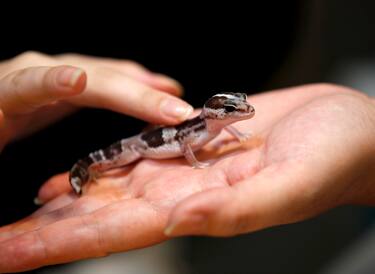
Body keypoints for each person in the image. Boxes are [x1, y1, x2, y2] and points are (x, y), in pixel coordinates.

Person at [0, 52, 375, 272]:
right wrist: (195, 164)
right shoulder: (198, 132)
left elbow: (224, 131)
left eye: (239, 106)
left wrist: (241, 133)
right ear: (215, 112)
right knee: (115, 157)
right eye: (231, 111)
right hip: (142, 145)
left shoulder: (214, 126)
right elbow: (186, 147)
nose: (240, 113)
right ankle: (89, 168)